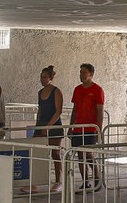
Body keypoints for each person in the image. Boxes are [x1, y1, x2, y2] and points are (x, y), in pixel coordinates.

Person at [31, 65, 65, 193]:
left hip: (54, 125)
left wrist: (48, 126)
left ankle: (58, 181)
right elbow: (40, 110)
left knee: (55, 153)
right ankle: (36, 183)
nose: (42, 79)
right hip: (41, 124)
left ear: (51, 78)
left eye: (45, 77)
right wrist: (38, 126)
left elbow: (58, 111)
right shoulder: (40, 92)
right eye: (41, 77)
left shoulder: (56, 91)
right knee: (37, 153)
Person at [70, 62, 105, 190]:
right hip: (78, 128)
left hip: (90, 128)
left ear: (91, 74)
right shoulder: (77, 90)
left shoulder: (97, 90)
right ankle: (85, 181)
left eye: (84, 72)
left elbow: (100, 111)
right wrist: (71, 126)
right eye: (80, 72)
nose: (81, 75)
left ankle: (96, 177)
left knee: (89, 155)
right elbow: (75, 109)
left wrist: (98, 129)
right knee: (80, 156)